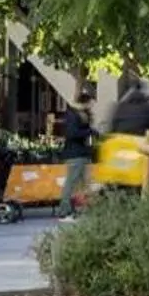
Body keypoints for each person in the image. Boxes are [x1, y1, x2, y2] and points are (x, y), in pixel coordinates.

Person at [57, 93, 97, 222]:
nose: (91, 106)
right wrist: (89, 131)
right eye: (90, 103)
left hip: (82, 153)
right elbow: (72, 133)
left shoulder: (80, 114)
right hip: (75, 154)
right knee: (72, 183)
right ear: (85, 102)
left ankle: (77, 210)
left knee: (81, 185)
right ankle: (64, 212)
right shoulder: (73, 115)